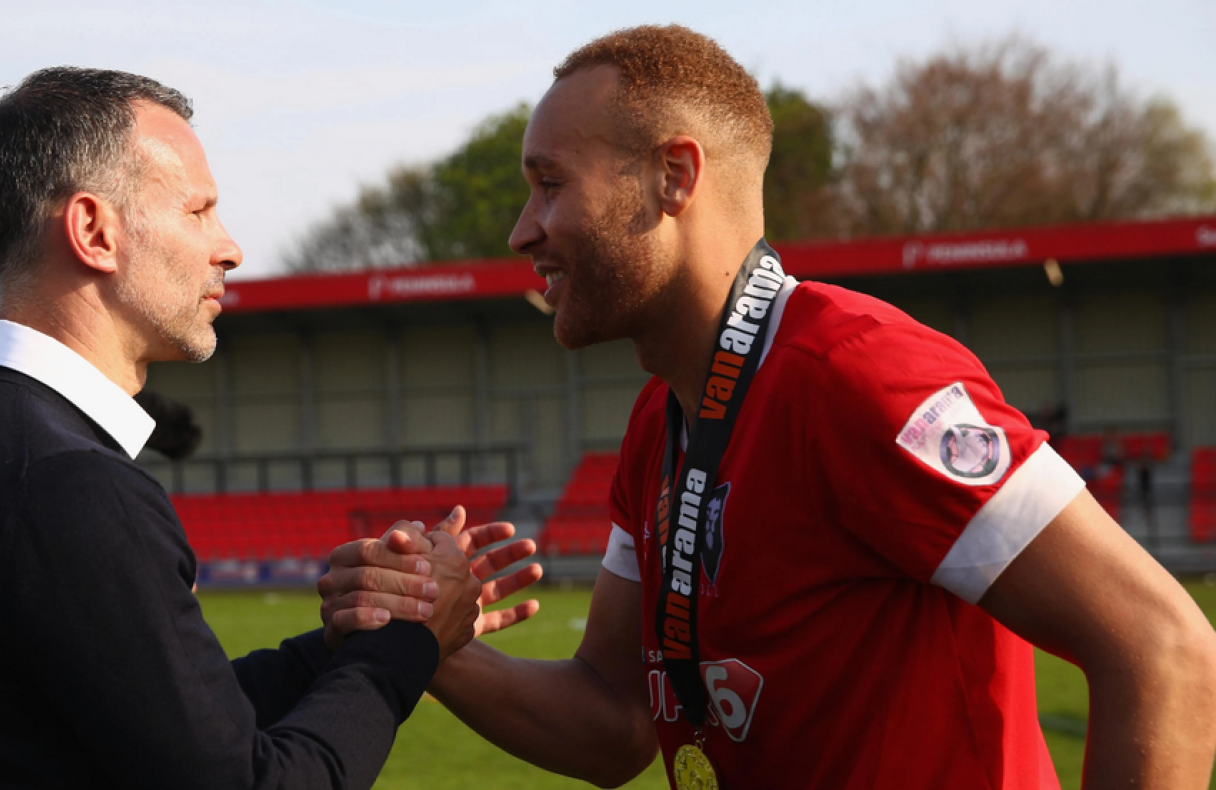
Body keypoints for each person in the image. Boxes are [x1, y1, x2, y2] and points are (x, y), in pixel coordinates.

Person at [320, 25, 1216, 789]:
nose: (522, 230)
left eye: (550, 184)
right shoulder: (657, 426)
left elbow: (1160, 648)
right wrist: (431, 642)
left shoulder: (856, 375)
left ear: (674, 177)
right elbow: (615, 720)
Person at [0, 67, 497, 790]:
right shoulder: (65, 480)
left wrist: (345, 646)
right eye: (198, 212)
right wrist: (409, 642)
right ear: (95, 231)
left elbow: (164, 724)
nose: (229, 248)